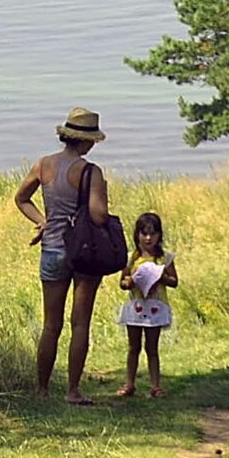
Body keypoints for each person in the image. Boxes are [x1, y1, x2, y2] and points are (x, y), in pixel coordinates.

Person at [12, 107, 114, 403]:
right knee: (80, 323)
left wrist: (42, 221)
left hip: (53, 249)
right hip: (84, 253)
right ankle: (72, 391)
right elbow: (98, 215)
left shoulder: (43, 165)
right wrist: (103, 194)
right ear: (88, 142)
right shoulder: (91, 172)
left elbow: (21, 198)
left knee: (50, 325)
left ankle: (42, 390)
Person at [113, 212, 177, 400]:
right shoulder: (131, 258)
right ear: (137, 235)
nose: (148, 238)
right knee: (133, 347)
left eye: (153, 234)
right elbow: (122, 283)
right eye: (144, 234)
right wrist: (132, 280)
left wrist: (161, 277)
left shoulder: (164, 258)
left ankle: (155, 385)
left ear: (159, 236)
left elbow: (174, 281)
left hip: (155, 308)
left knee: (152, 347)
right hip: (136, 307)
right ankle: (130, 383)